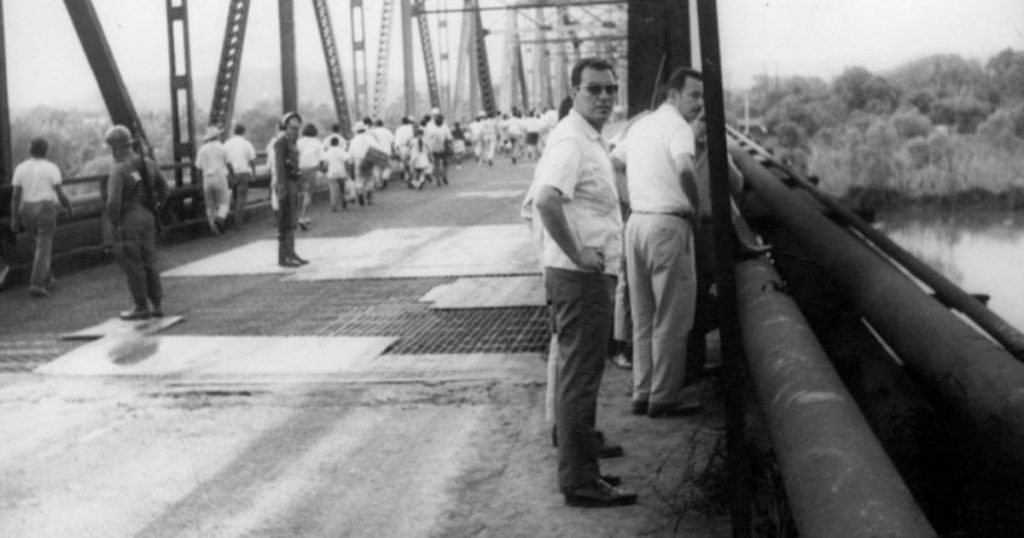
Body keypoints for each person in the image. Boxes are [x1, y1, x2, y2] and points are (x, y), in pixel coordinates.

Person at [531, 57, 636, 508]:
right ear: (574, 92)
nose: (605, 97)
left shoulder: (589, 139)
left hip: (585, 277)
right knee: (580, 381)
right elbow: (546, 200)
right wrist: (577, 252)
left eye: (610, 89)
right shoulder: (571, 141)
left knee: (583, 378)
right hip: (579, 277)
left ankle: (584, 470)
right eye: (594, 89)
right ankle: (579, 482)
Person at [610, 67, 705, 419]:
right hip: (668, 224)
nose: (699, 103)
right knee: (672, 316)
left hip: (636, 223)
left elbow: (614, 162)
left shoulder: (642, 124)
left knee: (645, 315)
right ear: (673, 95)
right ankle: (664, 397)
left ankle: (643, 390)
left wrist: (631, 198)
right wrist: (695, 207)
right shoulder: (678, 127)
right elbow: (684, 168)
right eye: (694, 95)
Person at [687, 115, 746, 382]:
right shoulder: (681, 153)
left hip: (712, 231)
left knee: (714, 291)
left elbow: (738, 184)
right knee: (691, 296)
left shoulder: (713, 153)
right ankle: (691, 363)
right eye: (699, 122)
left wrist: (718, 152)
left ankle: (708, 362)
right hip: (688, 230)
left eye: (706, 123)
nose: (703, 128)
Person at [104, 125, 169, 319]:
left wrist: (114, 222)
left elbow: (113, 200)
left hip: (128, 218)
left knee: (132, 263)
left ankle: (141, 306)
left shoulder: (118, 168)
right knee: (150, 260)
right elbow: (164, 189)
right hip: (147, 216)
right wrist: (156, 207)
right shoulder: (148, 163)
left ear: (114, 148)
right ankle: (156, 304)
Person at [10, 137, 73, 297]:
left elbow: (16, 196)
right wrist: (69, 206)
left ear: (30, 150)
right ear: (46, 151)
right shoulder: (51, 168)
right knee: (44, 246)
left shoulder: (20, 168)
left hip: (27, 209)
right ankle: (37, 284)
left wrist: (14, 218)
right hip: (45, 208)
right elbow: (59, 192)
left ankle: (47, 278)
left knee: (37, 246)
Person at [273, 112, 309, 267]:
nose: (295, 126)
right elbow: (280, 166)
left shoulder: (292, 141)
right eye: (292, 124)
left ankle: (291, 252)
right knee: (285, 220)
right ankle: (283, 257)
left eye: (297, 124)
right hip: (285, 183)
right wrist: (281, 187)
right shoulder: (281, 142)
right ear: (285, 125)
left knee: (292, 219)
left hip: (293, 182)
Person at [195, 125, 233, 235]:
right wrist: (232, 176)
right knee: (224, 202)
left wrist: (199, 183)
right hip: (220, 177)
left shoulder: (202, 149)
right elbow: (229, 163)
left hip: (207, 179)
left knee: (209, 204)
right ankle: (220, 218)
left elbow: (198, 168)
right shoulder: (222, 147)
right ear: (217, 136)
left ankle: (213, 228)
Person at [223, 124, 256, 230]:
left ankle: (227, 220)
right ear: (244, 132)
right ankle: (238, 223)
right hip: (243, 172)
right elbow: (252, 160)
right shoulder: (247, 144)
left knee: (232, 196)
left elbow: (224, 159)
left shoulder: (227, 144)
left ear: (234, 131)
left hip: (230, 173)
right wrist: (254, 173)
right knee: (241, 198)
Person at [323, 135, 351, 211]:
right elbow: (346, 161)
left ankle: (334, 205)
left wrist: (324, 170)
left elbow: (325, 163)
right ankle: (343, 199)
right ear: (338, 143)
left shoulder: (328, 152)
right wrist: (348, 171)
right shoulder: (341, 150)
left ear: (330, 143)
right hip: (341, 172)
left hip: (332, 173)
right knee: (342, 188)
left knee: (332, 189)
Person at [425, 114, 452, 186]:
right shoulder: (445, 127)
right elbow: (449, 138)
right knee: (445, 163)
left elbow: (428, 138)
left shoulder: (431, 128)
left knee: (436, 164)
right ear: (442, 121)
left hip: (434, 148)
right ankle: (444, 175)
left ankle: (438, 181)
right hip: (443, 148)